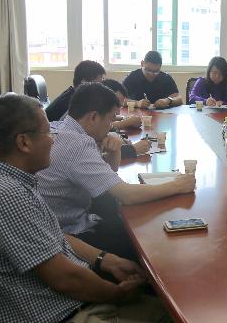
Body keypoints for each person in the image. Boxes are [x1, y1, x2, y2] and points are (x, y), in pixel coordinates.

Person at [0, 93, 220, 323]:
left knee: (173, 318)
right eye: (47, 133)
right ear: (23, 142)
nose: (54, 140)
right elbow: (65, 278)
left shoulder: (12, 181)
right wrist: (115, 294)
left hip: (68, 310)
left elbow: (56, 235)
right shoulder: (3, 197)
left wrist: (105, 259)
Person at [37, 83, 195, 261]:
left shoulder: (62, 127)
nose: (111, 126)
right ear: (93, 117)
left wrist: (115, 152)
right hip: (69, 236)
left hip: (60, 226)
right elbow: (127, 195)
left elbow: (106, 175)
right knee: (151, 245)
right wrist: (177, 186)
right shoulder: (78, 144)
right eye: (111, 119)